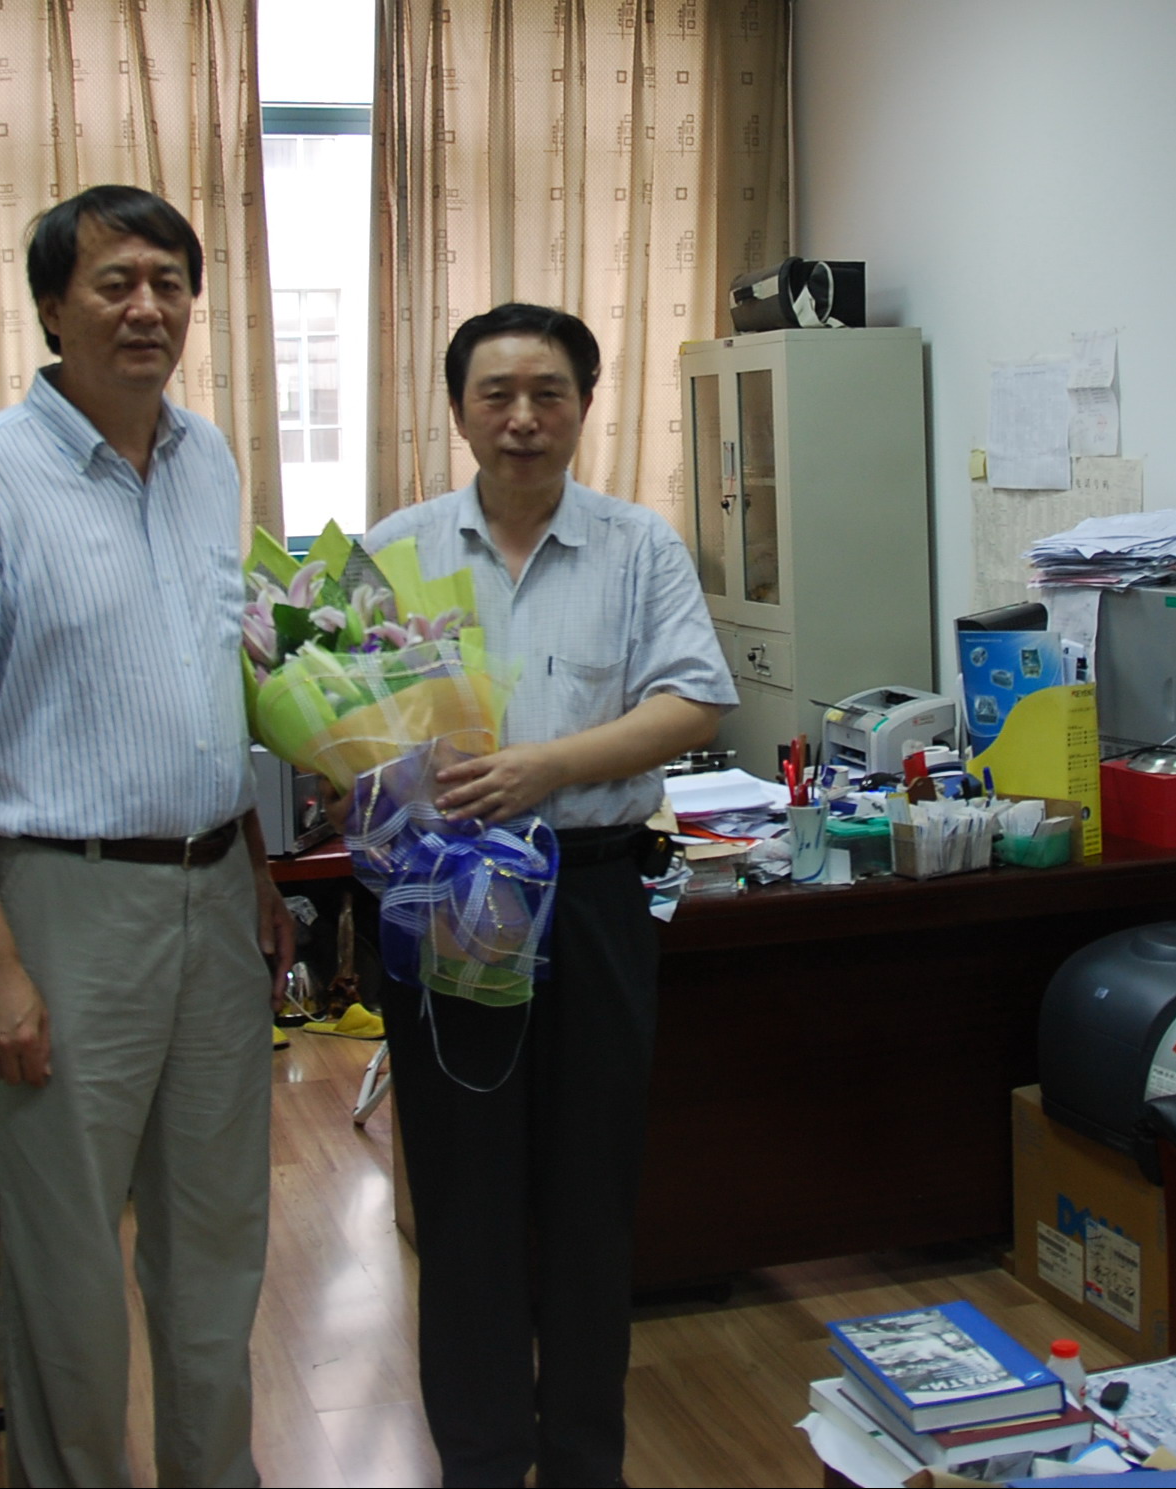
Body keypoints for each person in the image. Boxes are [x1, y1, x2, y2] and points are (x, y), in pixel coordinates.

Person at [0, 184, 294, 1488]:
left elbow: (210, 682)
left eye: (170, 283)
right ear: (52, 308)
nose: (147, 308)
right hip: (63, 906)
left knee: (217, 1237)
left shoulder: (208, 460)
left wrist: (258, 866)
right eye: (116, 283)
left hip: (213, 893)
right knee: (66, 1255)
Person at [360, 303, 738, 1487]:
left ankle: (584, 1459)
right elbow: (348, 721)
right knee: (462, 1192)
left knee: (590, 1190)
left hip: (590, 891)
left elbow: (694, 702)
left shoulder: (638, 546)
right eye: (496, 394)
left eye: (548, 394)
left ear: (583, 405)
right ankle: (478, 1458)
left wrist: (544, 769)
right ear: (457, 409)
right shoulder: (397, 549)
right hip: (448, 896)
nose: (522, 418)